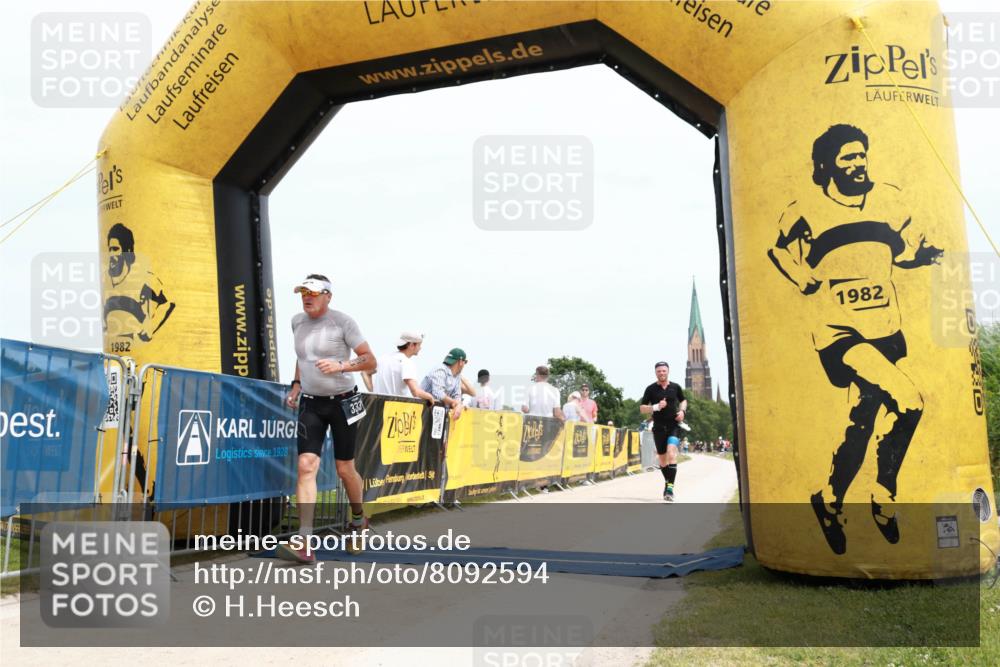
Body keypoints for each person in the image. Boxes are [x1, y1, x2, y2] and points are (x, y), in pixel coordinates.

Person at [768, 124, 941, 554]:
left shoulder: (888, 200)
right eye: (847, 157)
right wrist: (801, 275)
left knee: (860, 425)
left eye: (861, 155)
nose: (858, 163)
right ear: (826, 165)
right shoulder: (805, 207)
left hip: (886, 328)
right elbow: (778, 249)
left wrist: (921, 257)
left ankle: (827, 501)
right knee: (910, 400)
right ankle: (883, 496)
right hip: (839, 333)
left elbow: (899, 254)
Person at [278, 274, 377, 563]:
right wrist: (297, 384)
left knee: (345, 469)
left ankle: (358, 519)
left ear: (328, 296)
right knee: (306, 465)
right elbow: (303, 357)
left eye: (313, 293)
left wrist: (341, 365)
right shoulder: (297, 321)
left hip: (344, 402)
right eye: (302, 293)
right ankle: (305, 539)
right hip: (311, 403)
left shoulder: (342, 322)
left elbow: (370, 360)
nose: (306, 297)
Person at [103, 222, 175, 348]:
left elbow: (169, 302)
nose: (111, 255)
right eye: (109, 249)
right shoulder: (106, 283)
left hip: (143, 358)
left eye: (115, 249)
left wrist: (150, 326)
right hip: (116, 360)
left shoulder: (143, 278)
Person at [639, 361, 687, 502]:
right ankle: (668, 482)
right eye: (659, 371)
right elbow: (642, 408)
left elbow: (683, 400)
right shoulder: (651, 389)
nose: (661, 373)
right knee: (662, 460)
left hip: (673, 426)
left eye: (664, 371)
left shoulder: (675, 387)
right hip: (658, 428)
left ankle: (670, 489)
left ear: (668, 371)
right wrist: (655, 407)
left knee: (672, 453)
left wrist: (682, 411)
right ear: (656, 373)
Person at [362, 330, 435, 405]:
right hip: (393, 411)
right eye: (419, 345)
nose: (420, 348)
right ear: (412, 345)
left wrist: (373, 392)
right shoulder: (406, 363)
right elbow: (415, 392)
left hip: (376, 406)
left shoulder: (383, 358)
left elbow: (364, 372)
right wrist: (430, 397)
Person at [420, 348, 468, 420]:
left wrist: (458, 405)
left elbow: (457, 395)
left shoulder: (457, 375)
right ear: (461, 362)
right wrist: (456, 403)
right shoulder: (440, 370)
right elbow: (439, 394)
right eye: (465, 362)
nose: (465, 364)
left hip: (437, 412)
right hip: (423, 410)